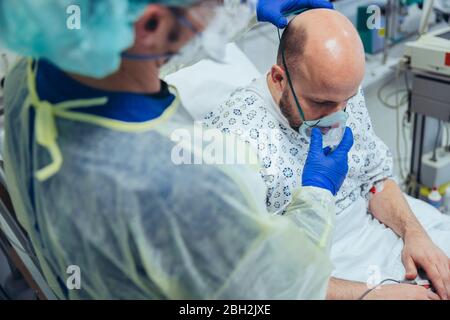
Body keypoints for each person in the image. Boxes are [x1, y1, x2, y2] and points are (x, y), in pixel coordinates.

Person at [1, 0, 353, 299]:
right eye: (214, 4)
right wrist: (317, 197)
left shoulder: (30, 79)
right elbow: (280, 290)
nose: (223, 10)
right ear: (152, 22)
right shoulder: (182, 189)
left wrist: (245, 11)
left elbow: (136, 48)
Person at [203, 9, 450, 300]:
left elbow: (375, 179)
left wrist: (415, 234)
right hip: (314, 272)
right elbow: (254, 278)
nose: (339, 117)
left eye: (346, 100)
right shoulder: (232, 143)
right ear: (279, 78)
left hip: (373, 228)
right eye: (322, 103)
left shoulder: (341, 93)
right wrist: (372, 294)